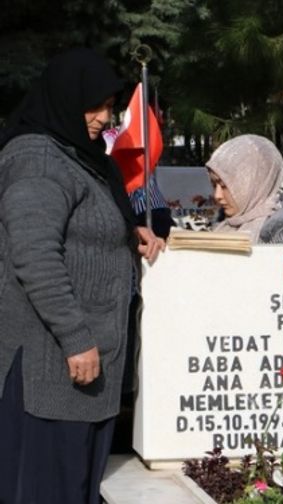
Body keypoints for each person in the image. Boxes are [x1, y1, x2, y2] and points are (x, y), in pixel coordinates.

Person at [0, 48, 162, 504]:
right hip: (50, 367)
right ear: (67, 98)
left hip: (83, 370)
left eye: (110, 105)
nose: (105, 117)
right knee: (44, 487)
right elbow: (34, 254)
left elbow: (85, 227)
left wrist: (131, 235)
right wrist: (75, 337)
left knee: (73, 487)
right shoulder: (38, 159)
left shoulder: (80, 156)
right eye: (97, 104)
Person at [205, 134, 283, 244]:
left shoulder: (282, 239)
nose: (217, 195)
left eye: (225, 186)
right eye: (214, 185)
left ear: (252, 184)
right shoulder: (223, 225)